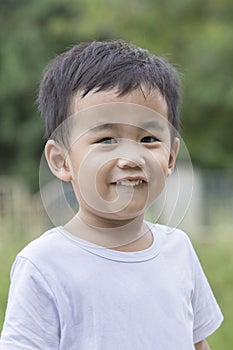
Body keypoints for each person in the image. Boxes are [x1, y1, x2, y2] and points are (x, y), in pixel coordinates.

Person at [0, 40, 223, 350]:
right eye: (106, 139)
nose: (131, 158)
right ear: (61, 161)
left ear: (171, 158)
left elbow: (197, 343)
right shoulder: (43, 265)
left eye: (148, 138)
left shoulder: (178, 250)